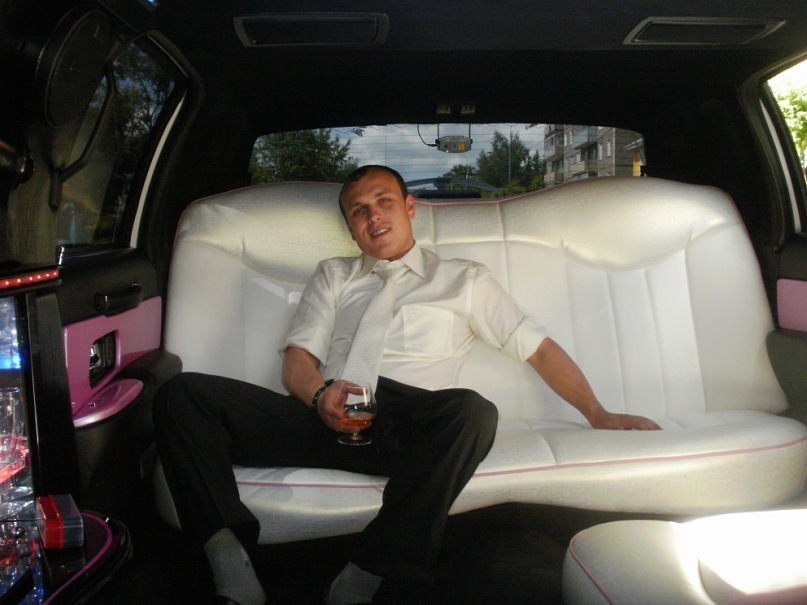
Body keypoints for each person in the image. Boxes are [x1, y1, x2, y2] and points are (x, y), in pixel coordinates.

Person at [153, 165, 660, 605]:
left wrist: (598, 413)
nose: (373, 216)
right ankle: (229, 560)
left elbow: (538, 349)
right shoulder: (334, 275)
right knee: (183, 393)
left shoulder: (463, 279)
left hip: (408, 427)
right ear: (351, 229)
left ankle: (371, 568)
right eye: (359, 211)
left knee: (474, 411)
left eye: (384, 202)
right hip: (324, 411)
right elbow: (298, 360)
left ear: (409, 207)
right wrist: (319, 397)